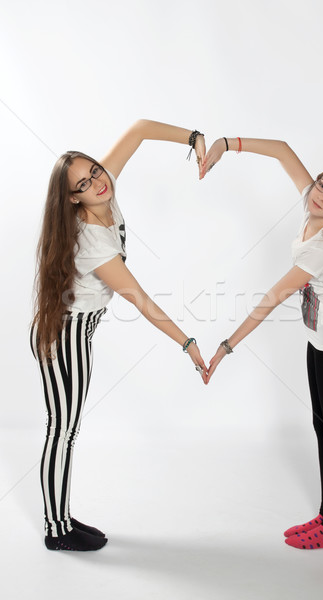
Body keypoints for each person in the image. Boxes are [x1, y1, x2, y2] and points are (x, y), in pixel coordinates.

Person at [30, 120, 208, 551]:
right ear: (73, 197)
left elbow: (141, 129)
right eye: (84, 183)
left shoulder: (102, 187)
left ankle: (61, 516)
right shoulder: (91, 238)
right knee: (63, 429)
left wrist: (193, 138)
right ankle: (57, 531)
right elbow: (140, 300)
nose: (96, 181)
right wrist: (187, 343)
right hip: (64, 335)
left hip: (77, 331)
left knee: (65, 428)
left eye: (94, 170)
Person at [201, 136, 323, 550]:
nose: (321, 195)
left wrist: (225, 346)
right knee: (320, 425)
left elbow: (269, 300)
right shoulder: (314, 203)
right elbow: (282, 150)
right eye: (322, 184)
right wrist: (225, 144)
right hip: (322, 337)